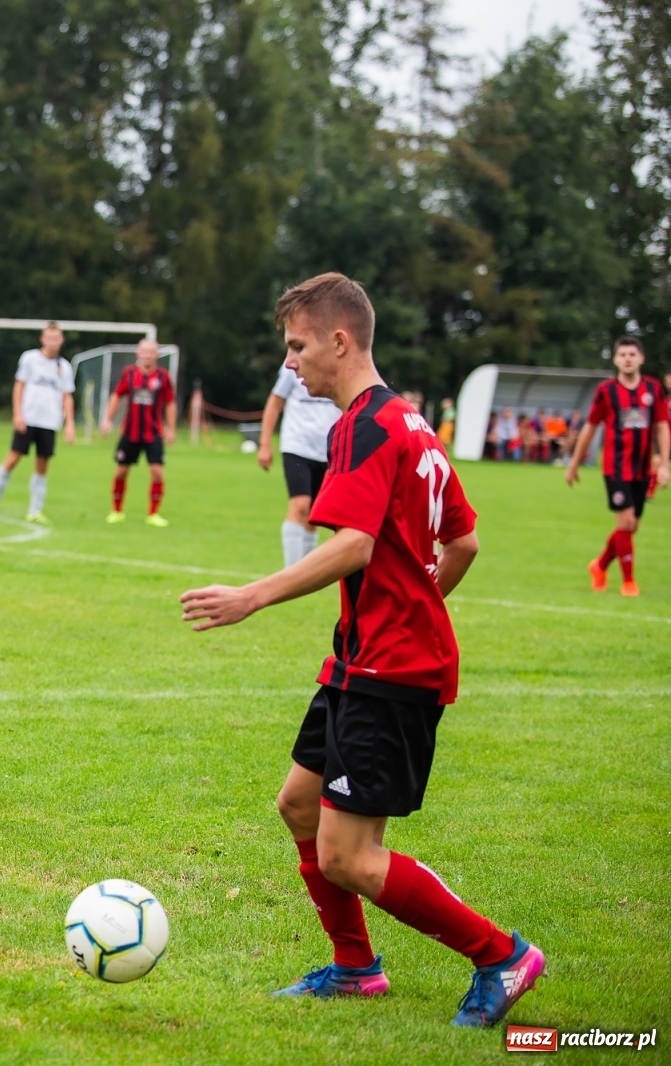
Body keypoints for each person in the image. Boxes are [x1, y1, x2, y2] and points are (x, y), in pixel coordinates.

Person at [180, 272, 544, 1029]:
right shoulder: (408, 423)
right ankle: (354, 970)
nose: (291, 363)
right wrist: (419, 603)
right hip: (366, 657)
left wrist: (252, 596)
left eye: (298, 346)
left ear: (339, 341)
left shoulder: (364, 426)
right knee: (299, 804)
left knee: (349, 855)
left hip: (393, 668)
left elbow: (352, 545)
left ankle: (500, 955)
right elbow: (464, 540)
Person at [564, 335, 669, 597]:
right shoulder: (606, 391)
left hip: (643, 469)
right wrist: (574, 463)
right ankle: (628, 583)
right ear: (615, 359)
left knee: (631, 526)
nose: (628, 359)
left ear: (641, 358)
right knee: (625, 522)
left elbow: (662, 427)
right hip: (615, 468)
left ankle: (599, 565)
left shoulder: (653, 389)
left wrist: (664, 464)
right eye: (623, 355)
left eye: (632, 354)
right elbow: (590, 428)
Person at [0, 323, 75, 524]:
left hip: (49, 422)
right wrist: (18, 414)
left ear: (62, 341)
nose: (53, 342)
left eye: (56, 338)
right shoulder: (30, 359)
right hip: (28, 419)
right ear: (42, 339)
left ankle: (34, 511)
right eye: (49, 338)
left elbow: (67, 396)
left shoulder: (64, 367)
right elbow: (19, 386)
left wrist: (69, 424)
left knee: (42, 466)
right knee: (12, 459)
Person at [256, 358, 340, 565]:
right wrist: (265, 443)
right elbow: (275, 402)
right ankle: (291, 570)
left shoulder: (337, 365)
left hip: (329, 450)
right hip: (297, 446)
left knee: (315, 513)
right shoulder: (292, 365)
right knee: (300, 505)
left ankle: (305, 568)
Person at [101, 339, 177, 526]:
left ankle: (153, 514)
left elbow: (170, 403)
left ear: (157, 354)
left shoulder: (163, 377)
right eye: (144, 352)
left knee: (157, 472)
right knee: (120, 472)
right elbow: (117, 396)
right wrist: (108, 420)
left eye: (151, 352)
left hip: (153, 433)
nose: (148, 355)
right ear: (138, 354)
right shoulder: (129, 374)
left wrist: (171, 428)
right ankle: (117, 511)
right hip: (130, 433)